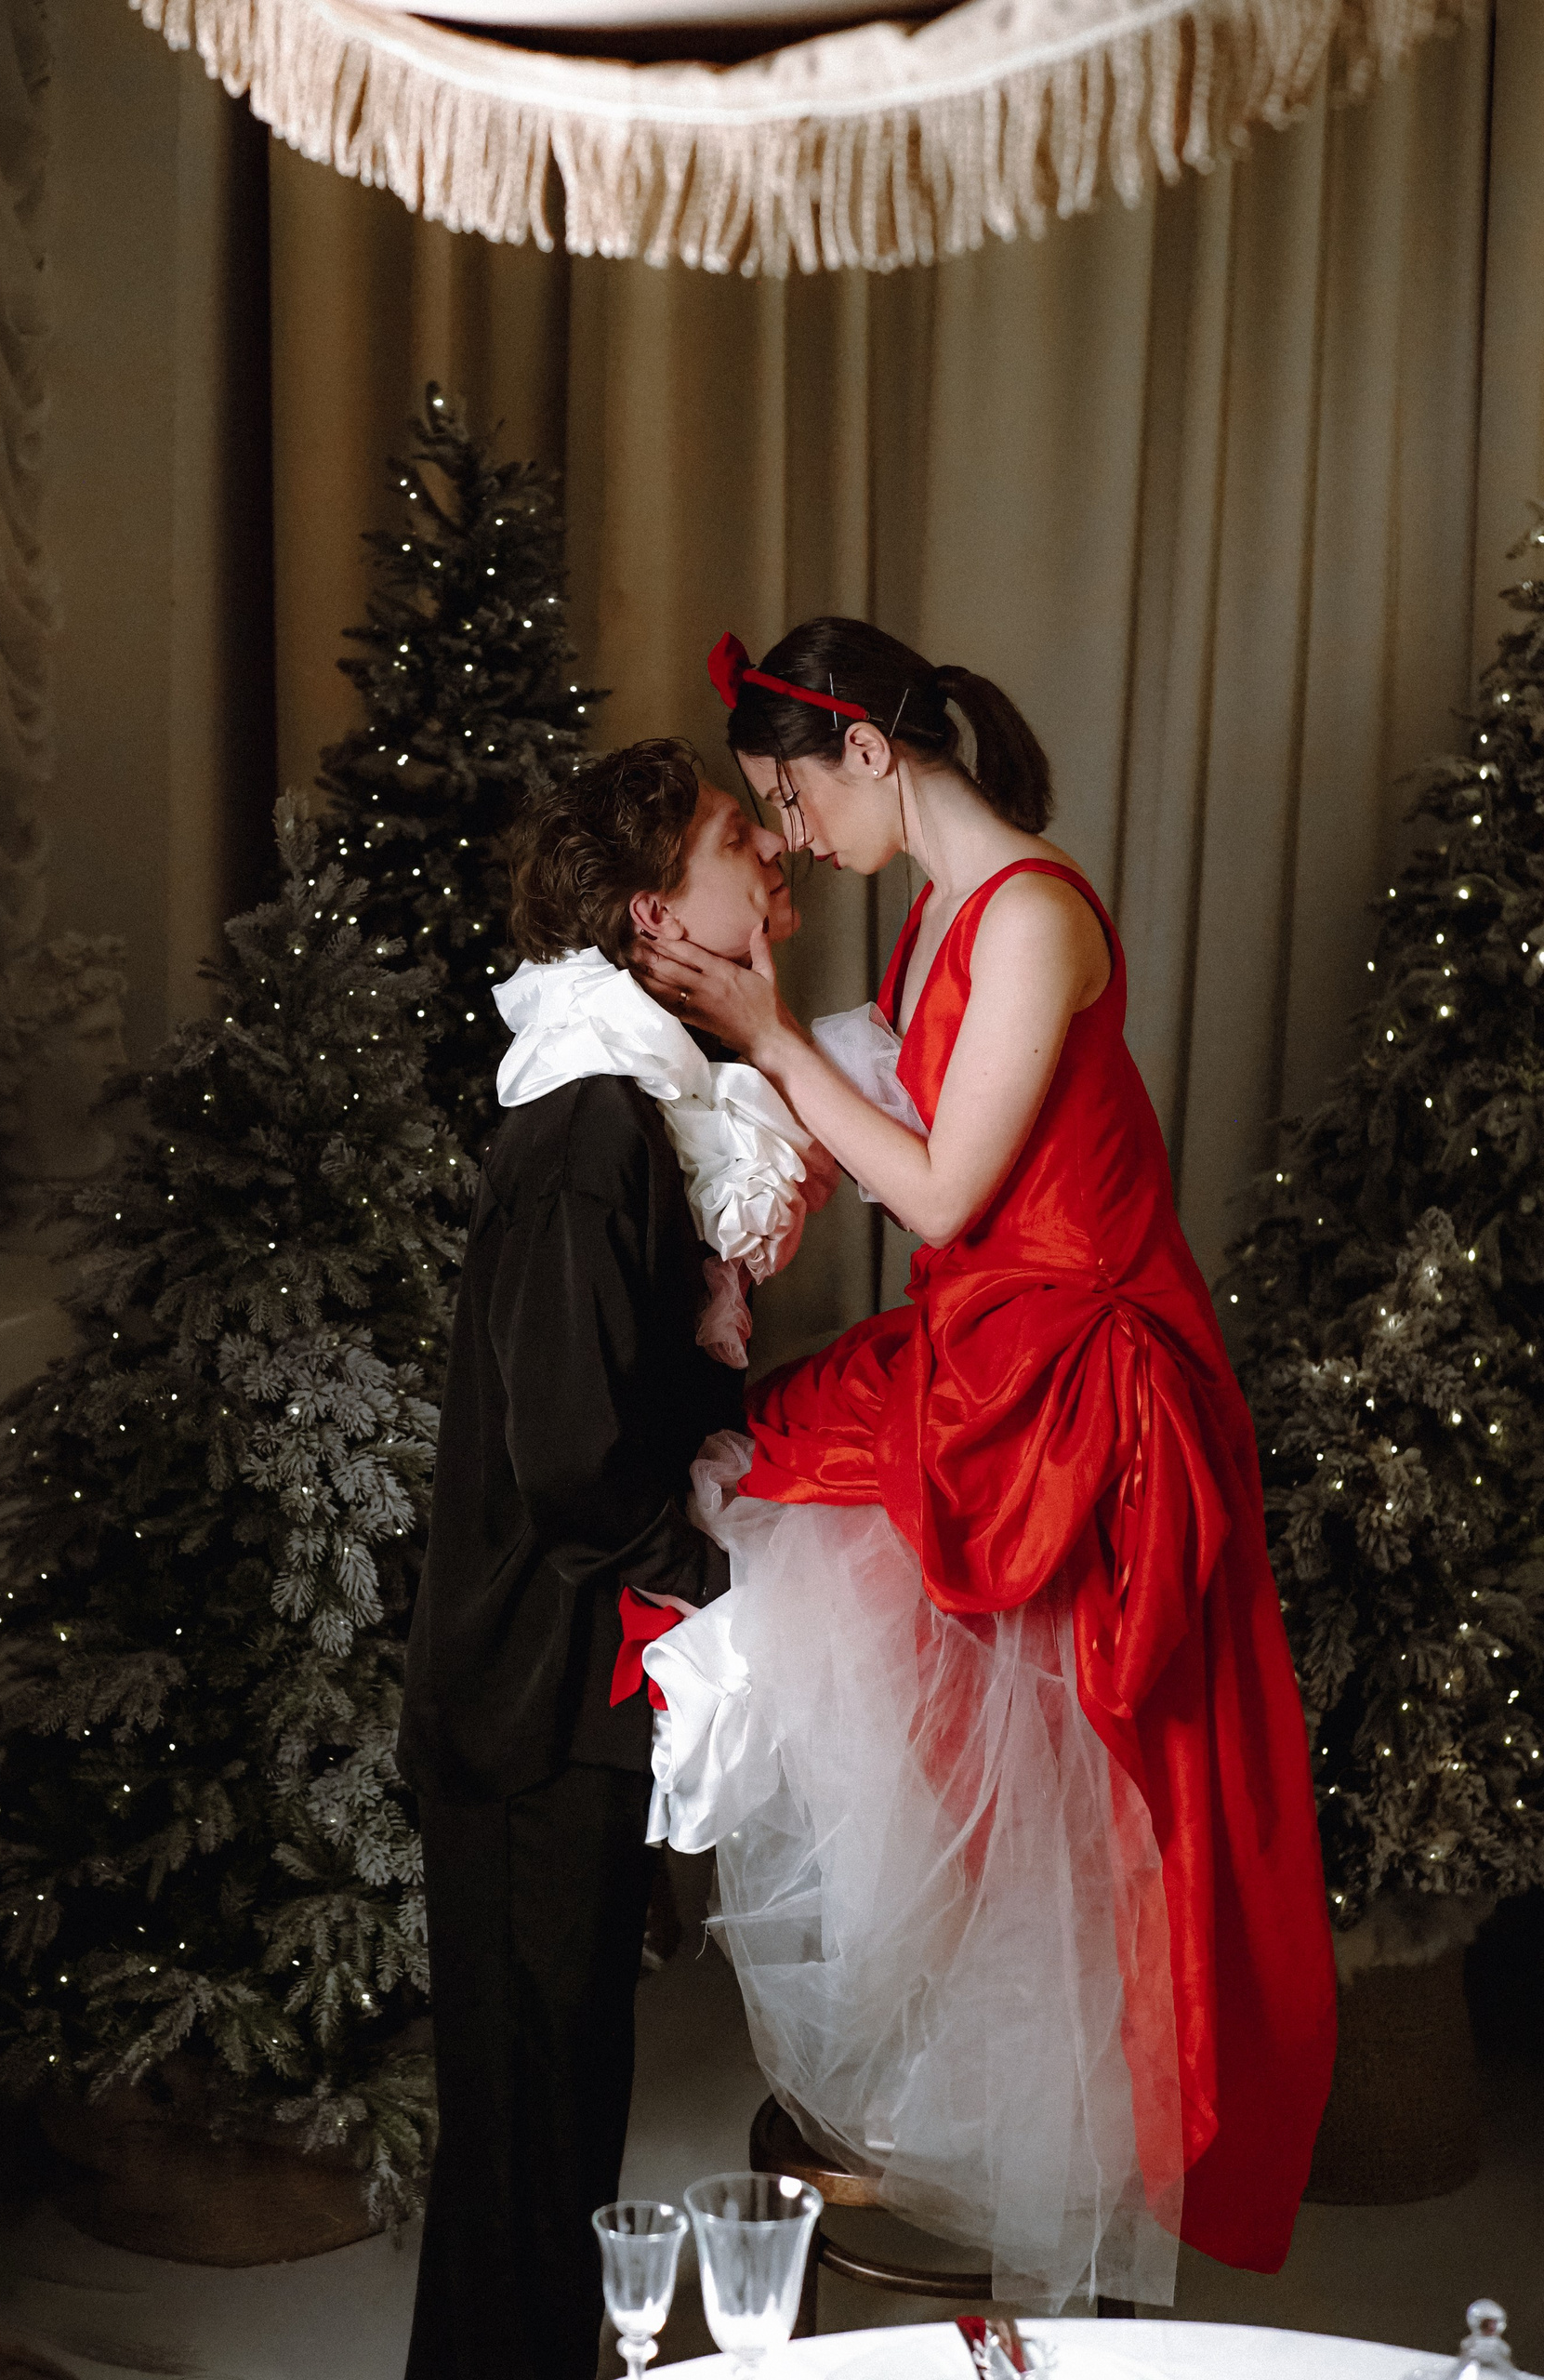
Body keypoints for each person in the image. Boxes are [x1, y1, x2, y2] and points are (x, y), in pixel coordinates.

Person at [633, 621, 1337, 2310]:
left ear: (870, 754)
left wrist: (773, 1035)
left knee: (1066, 1794)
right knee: (896, 1671)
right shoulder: (946, 909)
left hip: (1082, 1380)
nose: (791, 835)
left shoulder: (1029, 914)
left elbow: (946, 1192)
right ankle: (932, 2098)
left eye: (789, 795)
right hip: (984, 1351)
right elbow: (895, 1127)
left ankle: (1034, 2159)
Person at [397, 738, 824, 2380]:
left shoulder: (634, 1103)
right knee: (526, 2158)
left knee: (553, 2140)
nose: (764, 859)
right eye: (730, 843)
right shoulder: (588, 1120)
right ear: (653, 912)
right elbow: (573, 1458)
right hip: (527, 1711)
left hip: (563, 1698)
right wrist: (718, 1551)